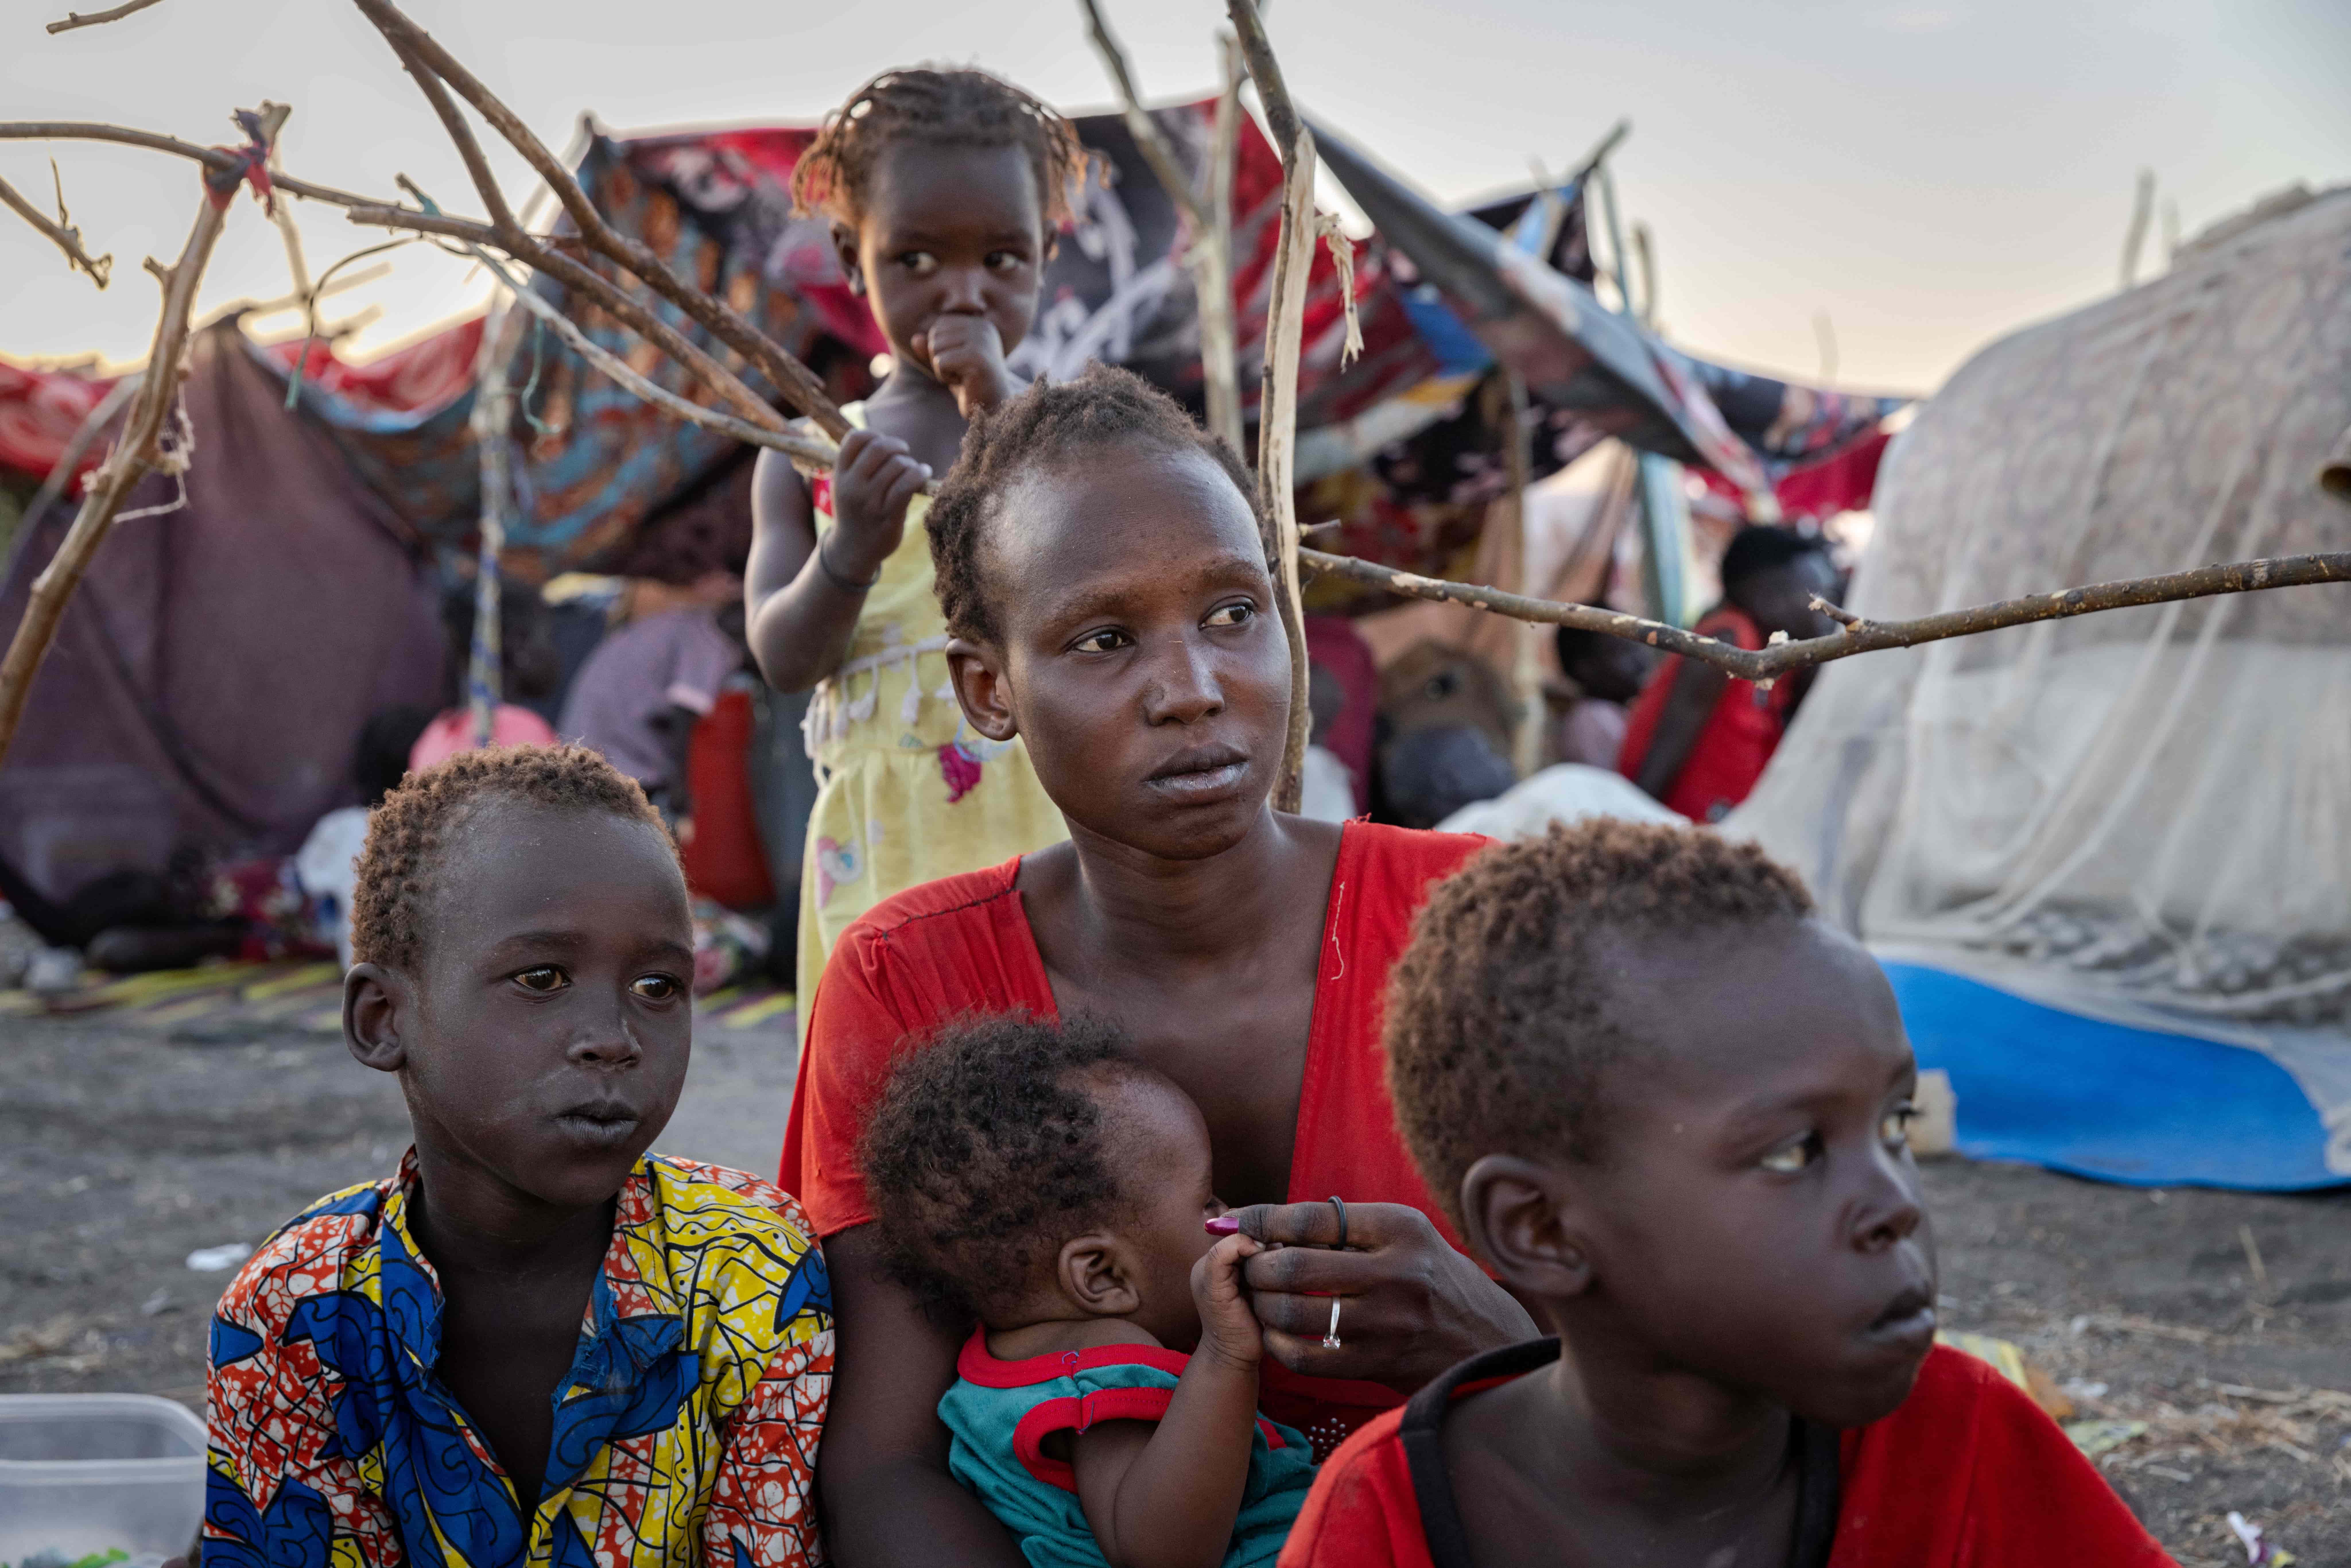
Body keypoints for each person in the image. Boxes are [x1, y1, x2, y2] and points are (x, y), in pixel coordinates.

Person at [781, 365, 1536, 1568]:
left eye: (1232, 613)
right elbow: (882, 1469)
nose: (1192, 690)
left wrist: (1491, 1341)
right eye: (1101, 638)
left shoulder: (1481, 931)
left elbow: (1696, 1388)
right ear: (989, 690)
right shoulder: (908, 980)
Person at [1278, 820, 2178, 1567]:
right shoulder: (1386, 1524)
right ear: (1542, 1226)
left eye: (1895, 1126)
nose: (1895, 1204)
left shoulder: (1960, 1443)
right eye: (1795, 1153)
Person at [203, 746, 832, 1563]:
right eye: (543, 978)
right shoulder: (292, 1314)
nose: (612, 1039)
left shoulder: (750, 1276)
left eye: (657, 989)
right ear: (382, 1019)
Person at [744, 67, 1089, 1031]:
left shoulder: (1073, 434)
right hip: (885, 842)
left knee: (1062, 1064)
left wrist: (1000, 418)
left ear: (1046, 255)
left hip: (1049, 821)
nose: (962, 290)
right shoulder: (810, 454)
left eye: (1002, 260)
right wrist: (850, 546)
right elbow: (783, 658)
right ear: (856, 260)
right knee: (896, 1079)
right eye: (918, 258)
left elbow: (1098, 579)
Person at [859, 1012, 1319, 1568]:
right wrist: (1226, 1356)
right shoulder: (1099, 1371)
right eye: (1206, 1202)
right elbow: (1161, 1550)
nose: (1229, 1214)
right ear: (1101, 1274)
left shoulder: (1001, 1363)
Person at [1617, 526, 1839, 820]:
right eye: (1817, 595)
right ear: (1765, 594)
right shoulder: (1728, 640)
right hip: (1680, 832)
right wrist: (1634, 827)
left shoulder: (1777, 658)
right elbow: (1665, 749)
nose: (1831, 613)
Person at [557, 600, 746, 825]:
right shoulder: (710, 644)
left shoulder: (680, 623)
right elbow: (683, 717)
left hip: (586, 740)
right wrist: (681, 790)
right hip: (622, 757)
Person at [1549, 624, 1650, 769]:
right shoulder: (1592, 722)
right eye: (1623, 651)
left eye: (1638, 647)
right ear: (1584, 667)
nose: (1639, 661)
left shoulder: (1615, 713)